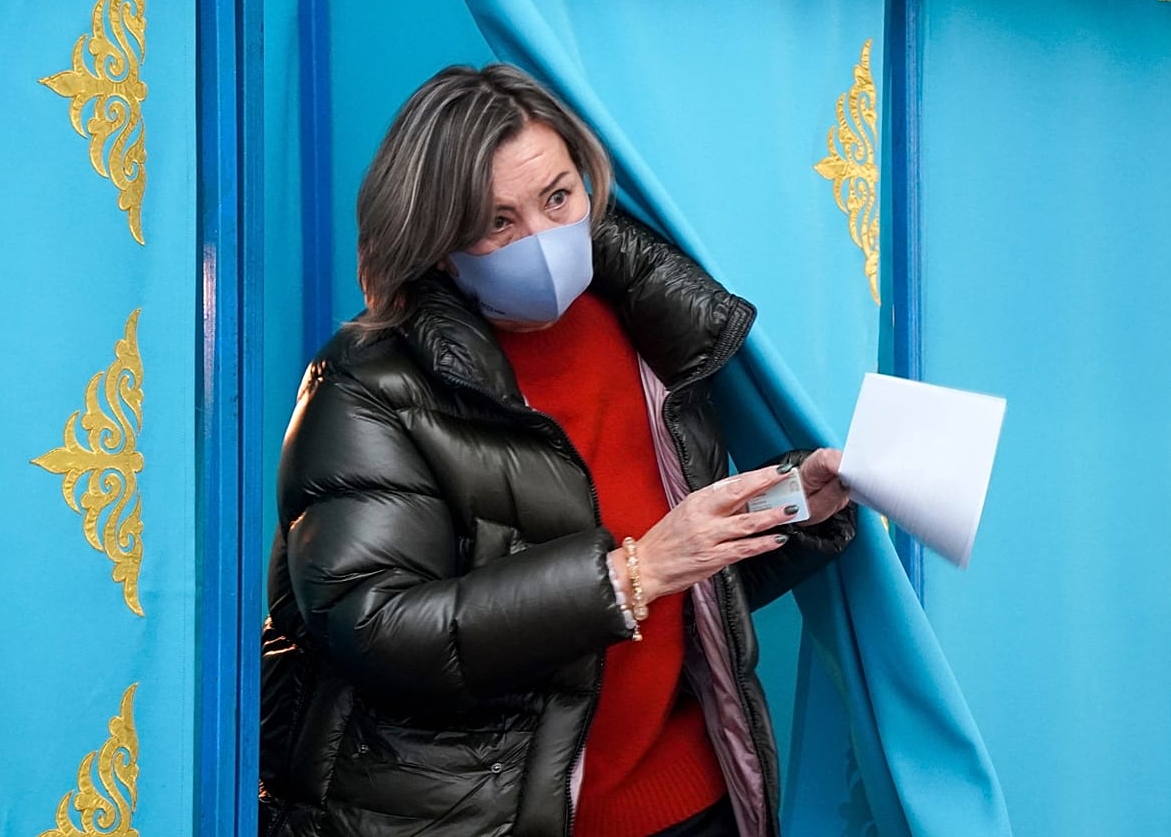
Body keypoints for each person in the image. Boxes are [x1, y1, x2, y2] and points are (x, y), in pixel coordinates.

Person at [258, 63, 856, 837]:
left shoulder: (650, 336)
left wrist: (790, 506)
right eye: (496, 222)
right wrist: (629, 575)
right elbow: (375, 629)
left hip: (690, 799)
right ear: (438, 242)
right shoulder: (368, 384)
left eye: (557, 199)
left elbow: (688, 588)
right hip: (486, 819)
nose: (540, 240)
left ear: (588, 184)